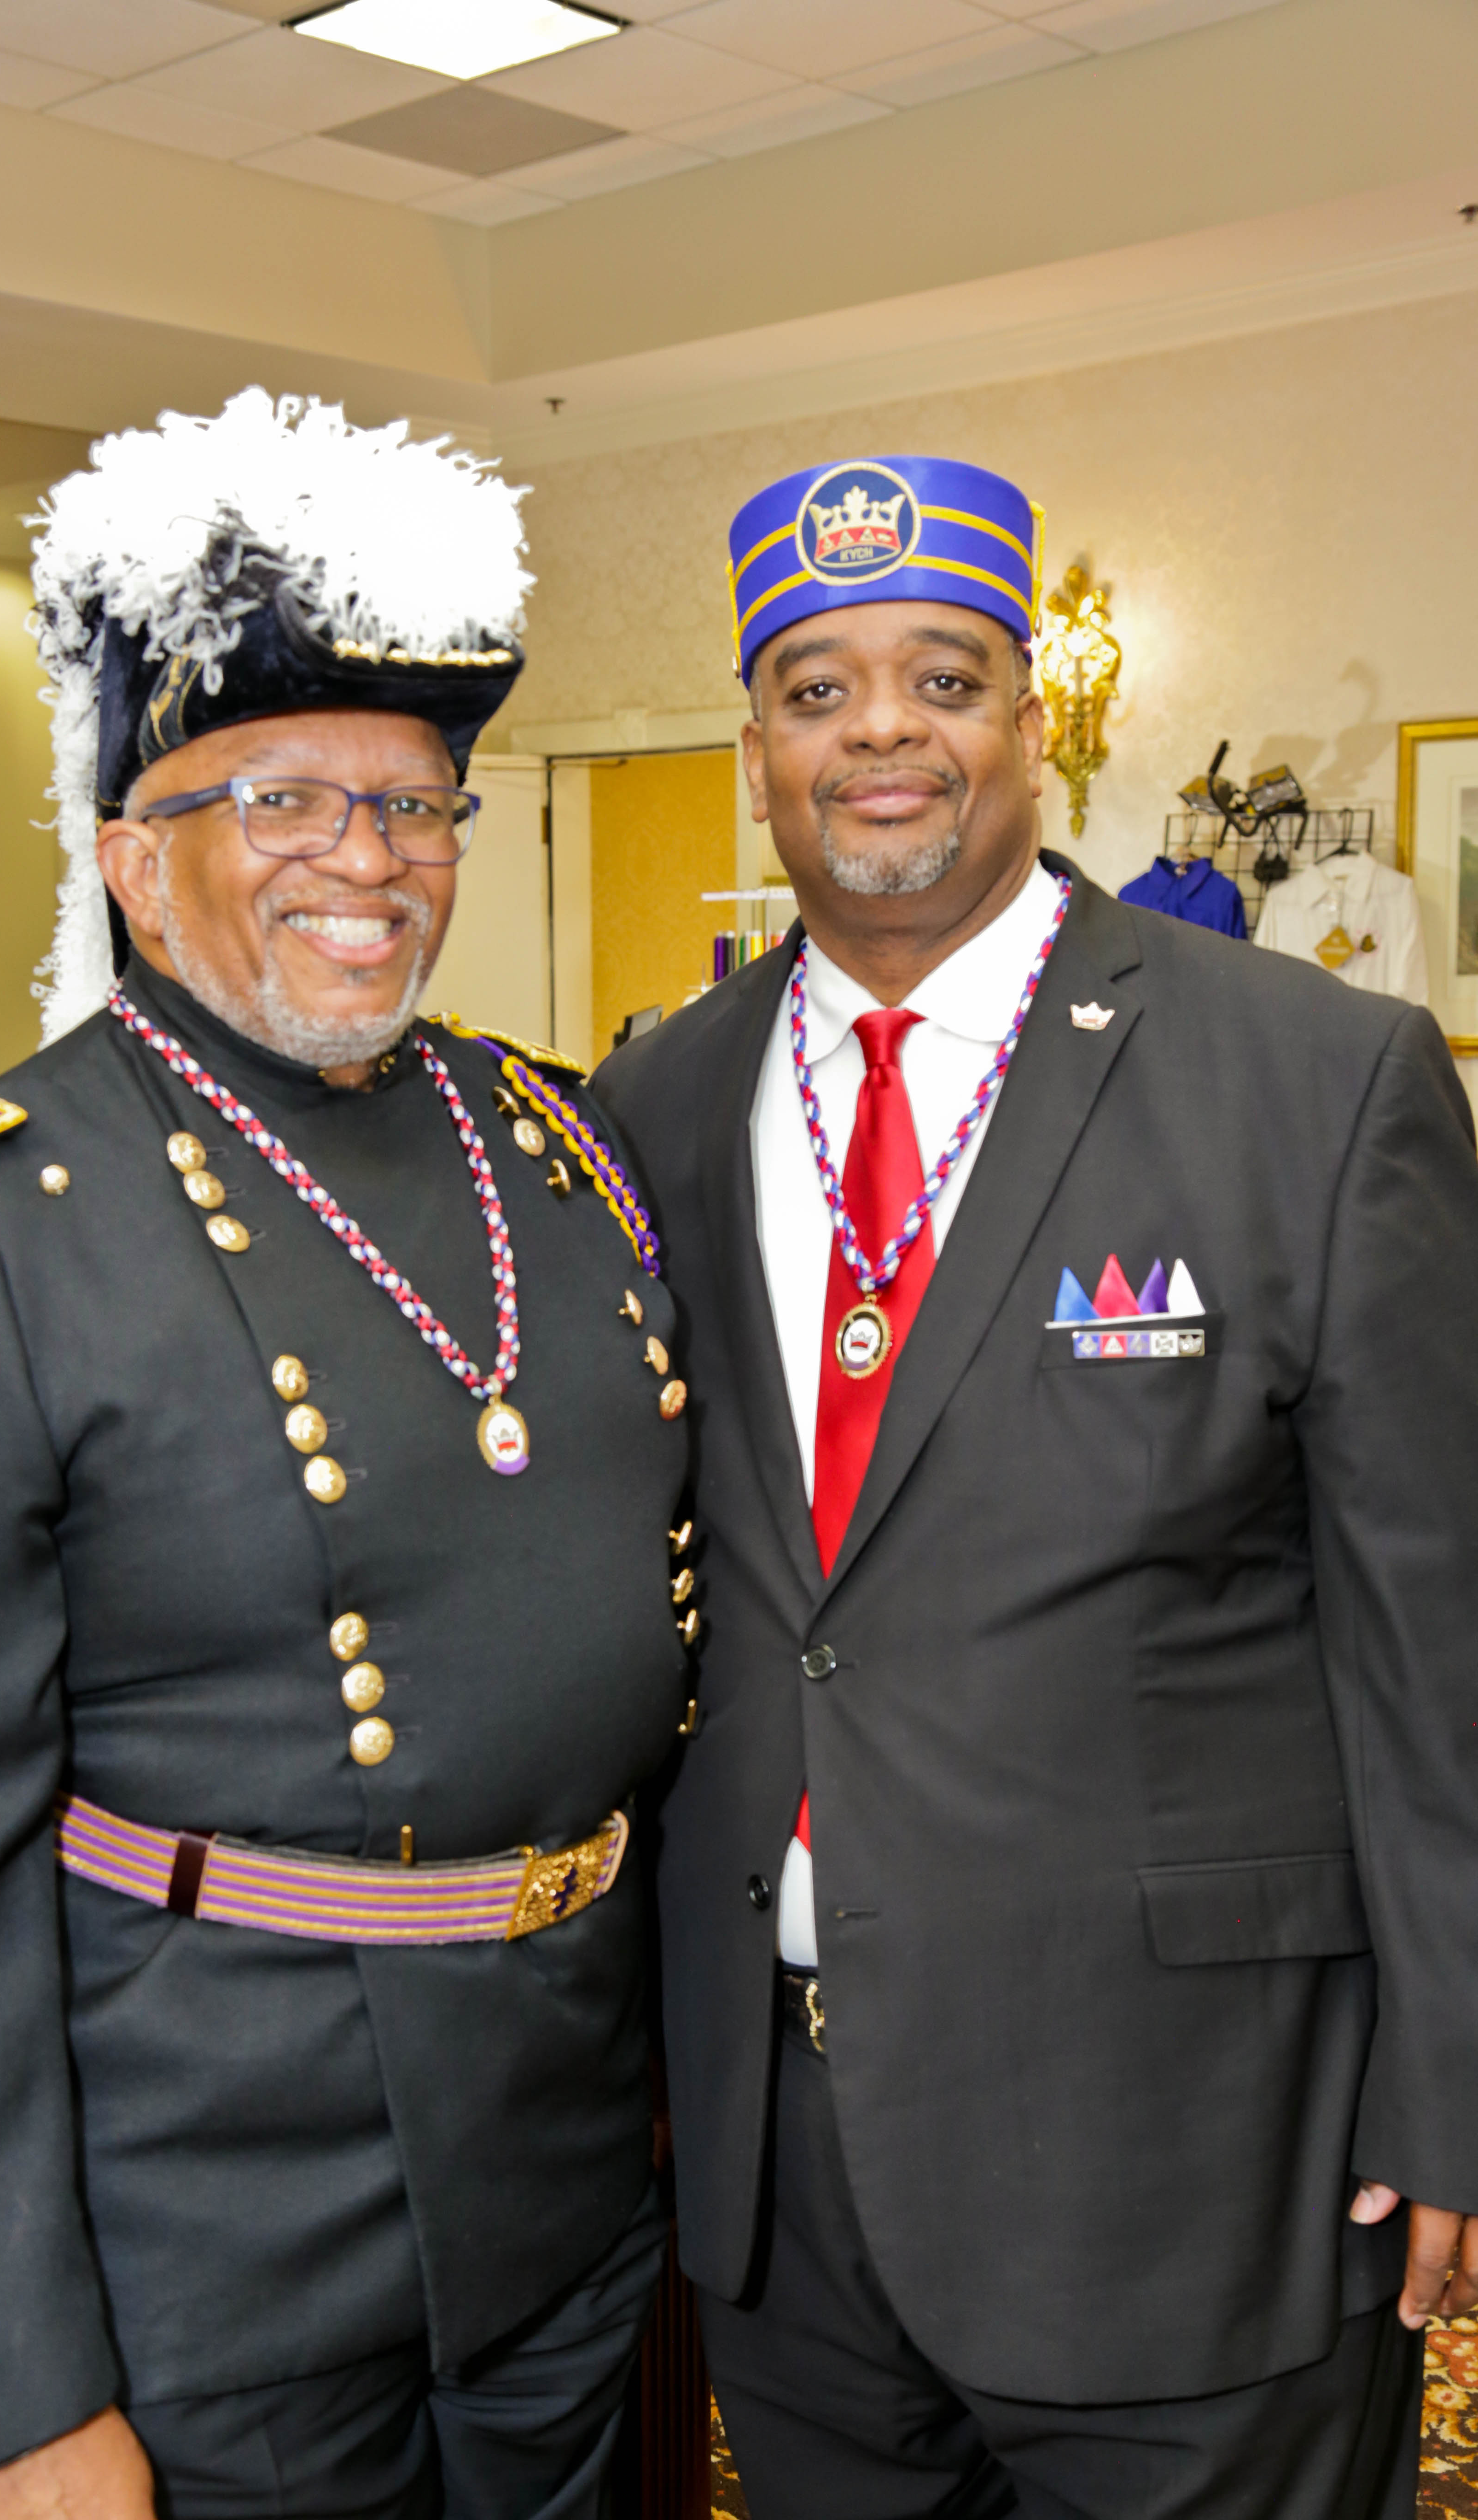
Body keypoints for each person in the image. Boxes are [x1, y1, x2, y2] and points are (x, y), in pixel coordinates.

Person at [0, 391, 695, 2520]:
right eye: (280, 798)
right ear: (133, 857)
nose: (366, 858)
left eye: (414, 803)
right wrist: (14, 2399)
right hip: (210, 2196)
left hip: (571, 2140)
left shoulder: (560, 1144)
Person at [594, 452, 1478, 2519]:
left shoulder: (1319, 1079)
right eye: (817, 690)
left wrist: (1458, 2077)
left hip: (1198, 2157)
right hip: (785, 2174)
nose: (881, 735)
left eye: (945, 678)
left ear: (1034, 719)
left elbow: (1441, 1645)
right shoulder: (652, 1100)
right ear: (755, 751)